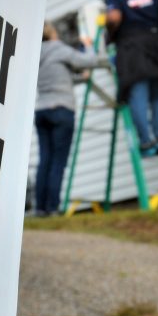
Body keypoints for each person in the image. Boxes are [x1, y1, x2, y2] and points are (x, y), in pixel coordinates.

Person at [33, 22, 110, 216]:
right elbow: (90, 61)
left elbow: (57, 76)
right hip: (61, 109)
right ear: (52, 33)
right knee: (58, 161)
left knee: (45, 160)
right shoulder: (59, 49)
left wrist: (76, 76)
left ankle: (40, 208)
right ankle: (53, 208)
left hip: (41, 110)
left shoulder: (35, 54)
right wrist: (88, 44)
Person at [105, 0, 158, 157]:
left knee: (138, 93)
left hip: (133, 48)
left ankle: (146, 142)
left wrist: (108, 32)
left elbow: (113, 19)